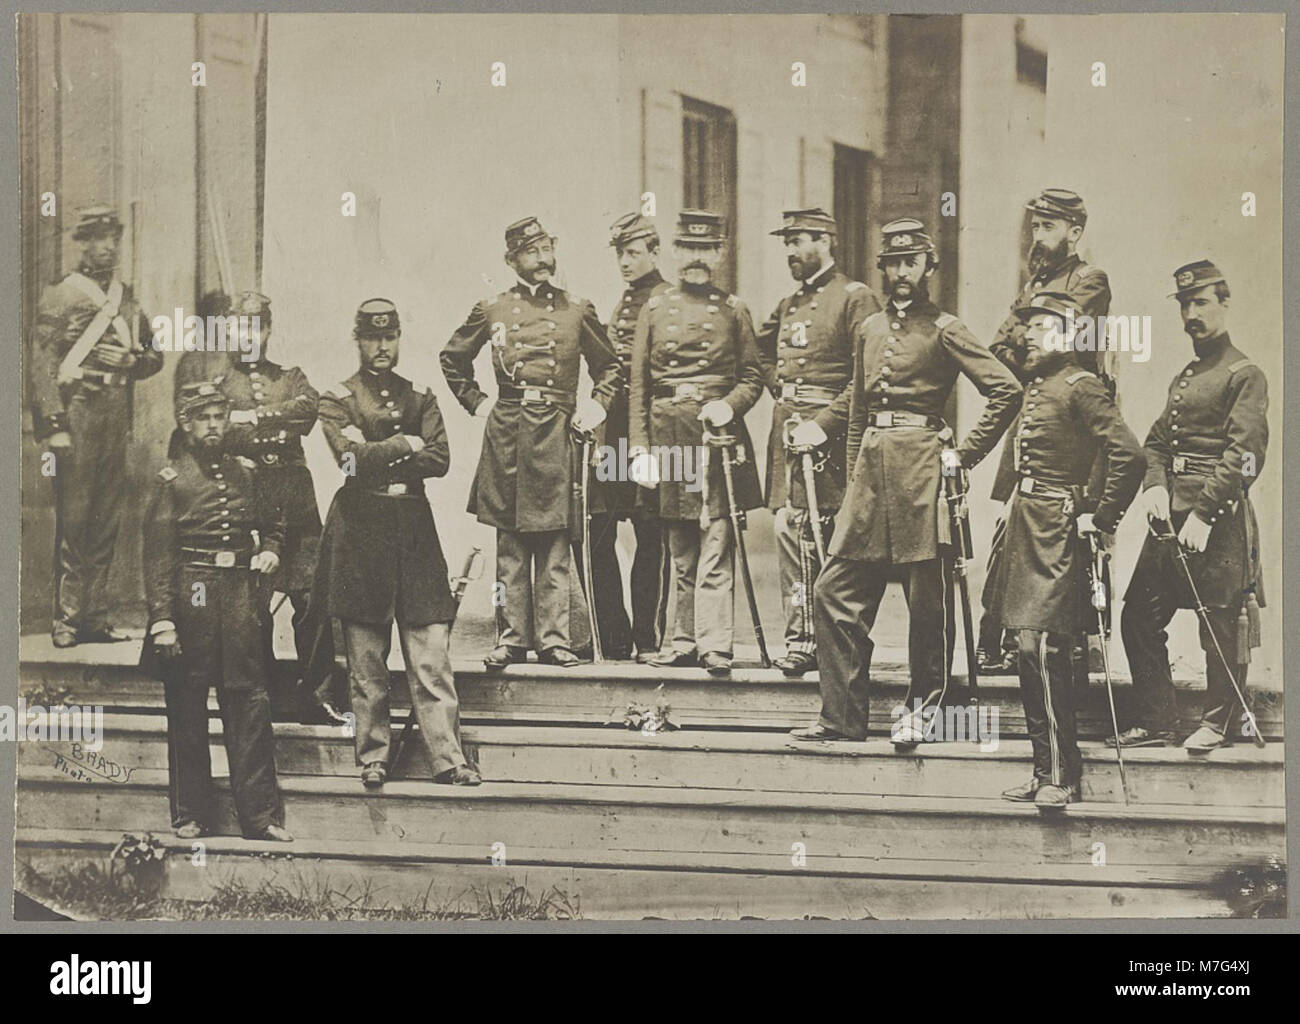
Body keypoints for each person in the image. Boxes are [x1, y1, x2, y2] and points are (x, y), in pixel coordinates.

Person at [790, 218, 1021, 743]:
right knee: (833, 592)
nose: (900, 273)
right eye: (892, 264)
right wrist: (853, 481)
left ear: (927, 268)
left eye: (910, 263)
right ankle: (842, 717)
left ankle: (926, 710)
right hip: (872, 474)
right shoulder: (869, 330)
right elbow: (856, 410)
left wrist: (962, 456)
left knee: (927, 604)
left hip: (924, 476)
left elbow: (1006, 391)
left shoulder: (946, 328)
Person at [441, 217, 621, 670]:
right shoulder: (492, 308)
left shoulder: (578, 309)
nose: (542, 260)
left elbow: (611, 368)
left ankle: (555, 640)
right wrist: (478, 403)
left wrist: (596, 405)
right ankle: (512, 637)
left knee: (557, 542)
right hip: (509, 431)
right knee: (511, 545)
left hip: (559, 430)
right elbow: (453, 357)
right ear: (512, 260)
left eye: (547, 249)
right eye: (531, 252)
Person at [314, 299, 480, 789]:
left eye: (390, 337)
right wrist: (405, 444)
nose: (382, 347)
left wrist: (376, 454)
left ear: (399, 338)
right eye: (372, 337)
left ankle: (448, 758)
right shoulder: (336, 397)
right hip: (361, 532)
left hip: (413, 531)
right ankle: (373, 756)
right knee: (366, 663)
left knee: (431, 654)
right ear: (357, 339)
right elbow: (348, 463)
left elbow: (441, 459)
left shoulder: (422, 395)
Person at [988, 293, 1144, 810]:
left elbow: (1129, 454)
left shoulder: (1082, 386)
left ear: (1071, 334)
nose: (1029, 333)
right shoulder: (1036, 385)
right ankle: (1044, 770)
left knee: (1046, 648)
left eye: (1043, 325)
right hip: (1025, 521)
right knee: (1024, 649)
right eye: (1027, 325)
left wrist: (1098, 517)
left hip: (1057, 527)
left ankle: (1062, 774)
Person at [1118, 261, 1268, 756]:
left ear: (1224, 302)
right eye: (1184, 304)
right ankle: (1158, 720)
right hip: (1171, 513)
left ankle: (1219, 722)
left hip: (1217, 517)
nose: (1190, 313)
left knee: (1220, 621)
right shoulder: (1186, 375)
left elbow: (1245, 454)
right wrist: (1155, 486)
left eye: (1201, 302)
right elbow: (1157, 441)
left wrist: (1204, 513)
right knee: (1138, 613)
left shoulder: (1243, 373)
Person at [173, 291, 343, 722]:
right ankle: (262, 693)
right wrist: (263, 424)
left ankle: (315, 693)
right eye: (240, 327)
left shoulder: (290, 376)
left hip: (296, 499)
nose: (248, 335)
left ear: (268, 330)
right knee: (254, 608)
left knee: (311, 601)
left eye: (257, 327)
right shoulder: (217, 387)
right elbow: (211, 435)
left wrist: (252, 418)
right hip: (251, 502)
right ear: (230, 330)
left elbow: (309, 409)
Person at [140, 380, 291, 841]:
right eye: (203, 417)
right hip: (193, 598)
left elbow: (274, 524)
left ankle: (260, 818)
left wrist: (270, 549)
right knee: (187, 709)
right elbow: (159, 556)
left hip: (241, 599)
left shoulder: (246, 472)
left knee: (249, 707)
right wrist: (163, 620)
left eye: (219, 416)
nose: (213, 425)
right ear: (186, 424)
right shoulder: (172, 479)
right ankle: (190, 814)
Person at [979, 188, 1113, 675]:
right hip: (1034, 412)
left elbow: (1060, 338)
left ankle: (1075, 647)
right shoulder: (1034, 281)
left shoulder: (1089, 279)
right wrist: (1025, 341)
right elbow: (999, 347)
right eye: (1036, 226)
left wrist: (1027, 337)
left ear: (1074, 232)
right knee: (1011, 528)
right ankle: (1006, 640)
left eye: (1049, 227)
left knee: (1074, 532)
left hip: (1072, 419)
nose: (1040, 235)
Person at [628, 210, 765, 677]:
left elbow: (753, 375)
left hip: (716, 439)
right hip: (668, 434)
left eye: (706, 250)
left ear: (720, 254)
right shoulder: (655, 307)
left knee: (715, 546)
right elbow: (639, 386)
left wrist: (729, 404)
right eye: (688, 248)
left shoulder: (733, 310)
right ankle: (681, 641)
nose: (696, 259)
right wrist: (640, 449)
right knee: (679, 548)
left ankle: (714, 644)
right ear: (674, 251)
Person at [29, 206, 163, 647]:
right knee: (76, 519)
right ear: (83, 244)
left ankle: (96, 617)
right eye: (98, 238)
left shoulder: (127, 298)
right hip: (79, 412)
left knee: (107, 519)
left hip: (114, 418)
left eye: (112, 239)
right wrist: (56, 426)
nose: (107, 246)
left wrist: (132, 360)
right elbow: (42, 365)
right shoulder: (61, 296)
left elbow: (153, 356)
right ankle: (66, 619)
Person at [757, 207, 881, 677]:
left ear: (826, 240)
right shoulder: (789, 304)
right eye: (786, 241)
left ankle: (835, 644)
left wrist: (824, 422)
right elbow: (757, 354)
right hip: (790, 433)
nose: (790, 250)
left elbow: (865, 376)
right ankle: (800, 638)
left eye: (799, 240)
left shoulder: (854, 298)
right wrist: (782, 392)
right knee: (791, 531)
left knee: (825, 537)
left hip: (831, 440)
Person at [572, 212, 672, 662]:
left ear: (654, 252)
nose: (625, 262)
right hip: (613, 433)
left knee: (652, 532)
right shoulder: (623, 302)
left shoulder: (668, 299)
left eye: (633, 252)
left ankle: (648, 638)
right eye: (620, 253)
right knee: (599, 528)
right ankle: (614, 637)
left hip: (650, 432)